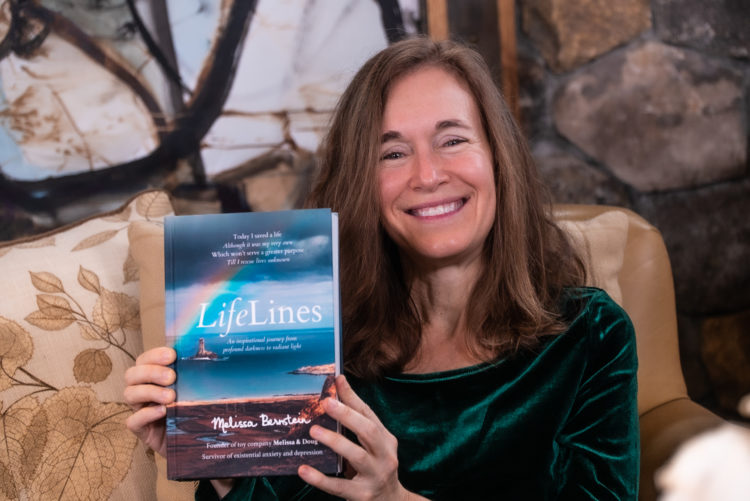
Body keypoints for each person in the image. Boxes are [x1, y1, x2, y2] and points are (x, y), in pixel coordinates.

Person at [124, 36, 639, 500]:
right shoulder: (315, 348)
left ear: (498, 158)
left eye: (453, 139)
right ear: (362, 185)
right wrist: (220, 459)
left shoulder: (592, 334)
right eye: (392, 153)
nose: (428, 174)